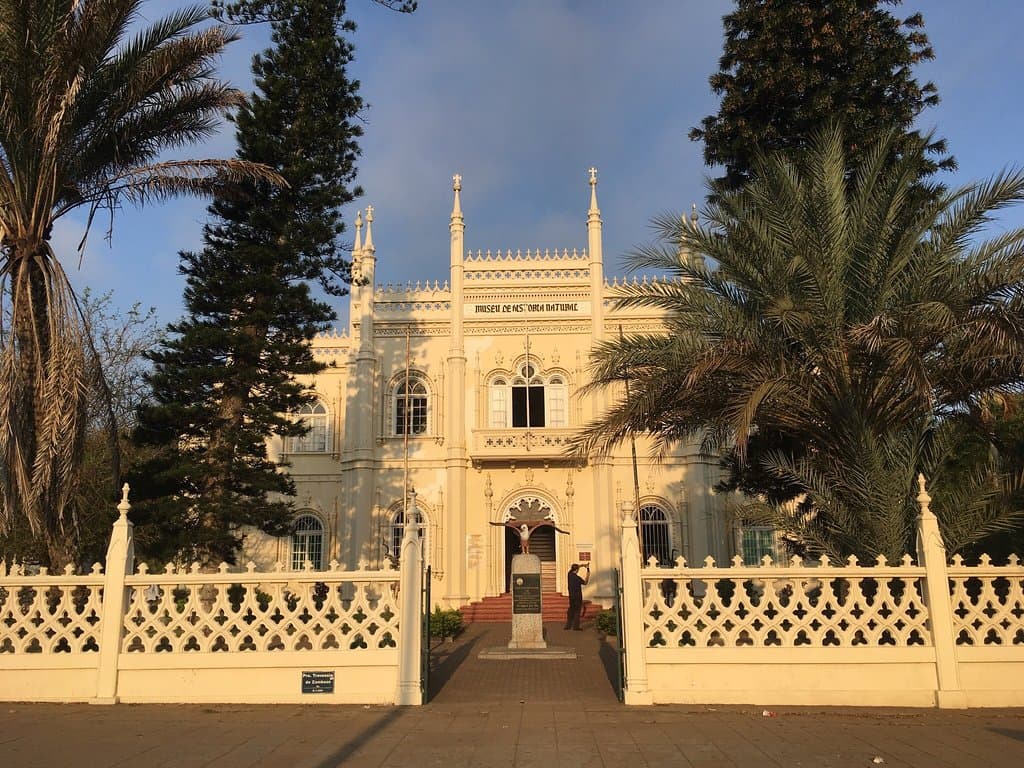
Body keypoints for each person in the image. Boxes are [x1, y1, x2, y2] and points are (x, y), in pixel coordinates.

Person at [564, 562, 589, 630]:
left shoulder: (569, 575)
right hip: (578, 597)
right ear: (577, 570)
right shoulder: (578, 578)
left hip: (571, 596)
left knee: (571, 610)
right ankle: (576, 627)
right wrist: (588, 570)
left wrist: (581, 565)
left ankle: (568, 626)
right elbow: (585, 582)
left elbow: (574, 568)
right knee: (577, 611)